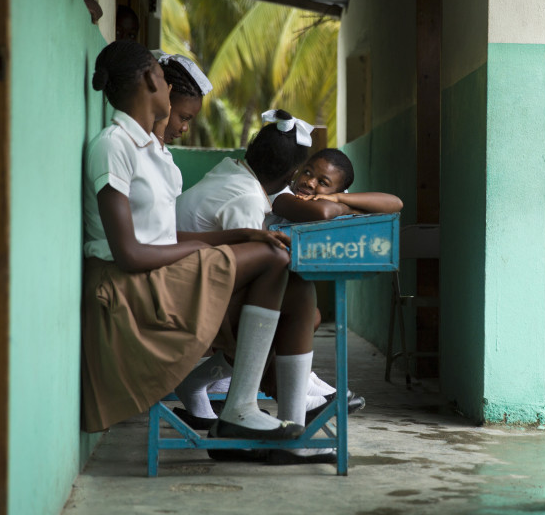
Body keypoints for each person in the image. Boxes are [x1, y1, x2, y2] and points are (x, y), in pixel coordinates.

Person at [82, 40, 323, 466]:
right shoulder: (113, 145)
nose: (167, 88)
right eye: (161, 76)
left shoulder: (157, 155)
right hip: (130, 286)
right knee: (273, 260)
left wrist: (242, 235)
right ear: (150, 82)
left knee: (297, 286)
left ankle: (290, 430)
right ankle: (239, 409)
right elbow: (131, 256)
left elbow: (166, 237)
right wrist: (204, 252)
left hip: (159, 274)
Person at [174, 111, 365, 440]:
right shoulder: (247, 200)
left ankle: (296, 398)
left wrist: (335, 201)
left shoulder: (233, 174)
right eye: (306, 173)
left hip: (184, 281)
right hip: (181, 296)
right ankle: (291, 402)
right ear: (293, 173)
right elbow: (236, 276)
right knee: (284, 308)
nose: (310, 184)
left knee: (300, 304)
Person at [267, 148, 403, 227]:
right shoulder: (281, 193)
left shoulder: (336, 197)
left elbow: (396, 203)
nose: (310, 183)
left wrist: (338, 198)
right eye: (307, 172)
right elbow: (323, 213)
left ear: (338, 191)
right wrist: (350, 209)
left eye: (323, 182)